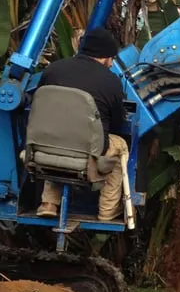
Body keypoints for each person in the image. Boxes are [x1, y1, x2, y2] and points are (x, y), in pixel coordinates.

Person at [34, 26, 129, 222]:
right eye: (112, 59)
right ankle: (107, 210)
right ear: (104, 57)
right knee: (120, 145)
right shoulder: (110, 81)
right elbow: (118, 123)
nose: (111, 65)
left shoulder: (52, 70)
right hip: (88, 152)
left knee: (59, 140)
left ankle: (49, 203)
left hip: (45, 149)